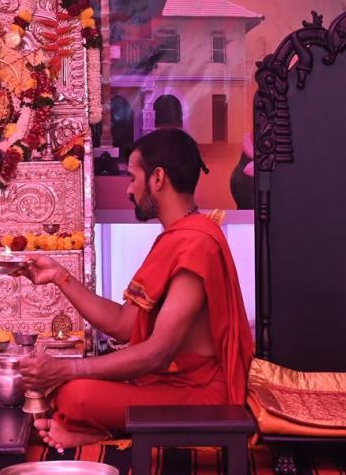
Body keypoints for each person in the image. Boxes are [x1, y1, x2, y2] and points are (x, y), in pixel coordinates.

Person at [17, 127, 253, 449]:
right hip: (169, 385)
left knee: (74, 394)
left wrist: (67, 369)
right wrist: (60, 276)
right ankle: (103, 431)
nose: (129, 189)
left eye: (132, 177)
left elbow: (158, 352)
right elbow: (123, 324)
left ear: (157, 178)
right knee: (71, 391)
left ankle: (107, 433)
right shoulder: (177, 238)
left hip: (200, 394)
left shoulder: (196, 243)